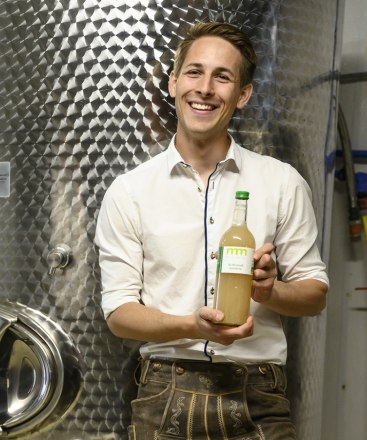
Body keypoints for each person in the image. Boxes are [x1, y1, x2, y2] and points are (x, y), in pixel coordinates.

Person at [94, 21, 328, 439]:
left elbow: (314, 294)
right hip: (162, 391)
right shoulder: (129, 191)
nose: (204, 88)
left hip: (258, 390)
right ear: (173, 82)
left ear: (242, 95)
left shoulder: (281, 181)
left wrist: (270, 291)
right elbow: (119, 313)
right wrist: (191, 326)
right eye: (194, 72)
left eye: (222, 77)